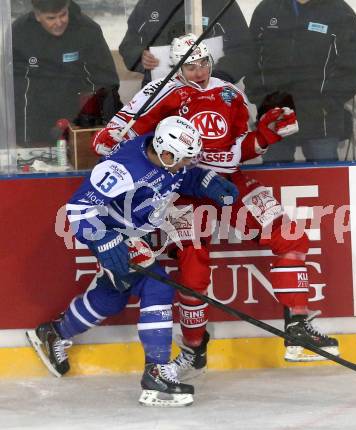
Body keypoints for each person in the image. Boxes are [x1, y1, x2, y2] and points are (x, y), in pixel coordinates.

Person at [92, 33, 340, 379]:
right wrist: (112, 136)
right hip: (182, 190)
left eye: (204, 63)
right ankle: (194, 348)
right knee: (193, 270)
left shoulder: (230, 92)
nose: (199, 72)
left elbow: (239, 148)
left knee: (290, 237)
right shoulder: (158, 92)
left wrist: (265, 136)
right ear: (177, 67)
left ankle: (297, 327)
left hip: (229, 182)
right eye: (191, 66)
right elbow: (116, 132)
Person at [26, 116, 239, 407]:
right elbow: (77, 208)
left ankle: (53, 333)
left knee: (114, 294)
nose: (183, 164)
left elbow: (178, 175)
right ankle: (156, 373)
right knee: (158, 287)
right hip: (112, 234)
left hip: (132, 233)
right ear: (164, 152)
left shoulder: (167, 155)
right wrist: (102, 239)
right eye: (180, 159)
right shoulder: (121, 168)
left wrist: (204, 181)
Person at [244, 0, 356, 162]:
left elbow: (352, 71)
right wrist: (262, 101)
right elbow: (251, 59)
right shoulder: (267, 9)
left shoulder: (341, 13)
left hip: (321, 121)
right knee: (276, 181)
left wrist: (325, 105)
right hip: (275, 116)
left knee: (325, 181)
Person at [12, 0, 122, 146]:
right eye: (51, 18)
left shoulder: (87, 29)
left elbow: (106, 81)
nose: (58, 22)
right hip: (37, 120)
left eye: (63, 15)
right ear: (37, 16)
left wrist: (96, 123)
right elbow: (16, 88)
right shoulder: (20, 32)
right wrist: (23, 135)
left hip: (78, 118)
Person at [119, 0, 251, 86]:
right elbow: (128, 45)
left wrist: (220, 76)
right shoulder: (148, 4)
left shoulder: (223, 3)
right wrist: (140, 57)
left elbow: (244, 48)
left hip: (214, 90)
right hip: (161, 91)